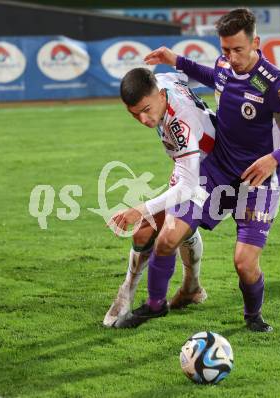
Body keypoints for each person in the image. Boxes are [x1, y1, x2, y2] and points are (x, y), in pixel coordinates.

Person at [113, 8, 280, 332]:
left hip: (259, 180)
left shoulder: (276, 85)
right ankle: (156, 305)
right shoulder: (225, 65)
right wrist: (178, 61)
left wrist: (276, 158)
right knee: (168, 237)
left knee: (244, 263)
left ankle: (253, 317)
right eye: (225, 49)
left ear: (255, 42)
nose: (231, 57)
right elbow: (217, 77)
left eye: (238, 49)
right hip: (216, 170)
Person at [104, 68, 216, 327]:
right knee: (145, 234)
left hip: (209, 170)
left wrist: (139, 209)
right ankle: (184, 288)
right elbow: (186, 75)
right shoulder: (162, 79)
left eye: (146, 109)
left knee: (166, 231)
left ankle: (141, 294)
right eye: (134, 114)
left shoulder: (179, 124)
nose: (143, 119)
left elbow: (187, 187)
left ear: (160, 95)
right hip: (189, 163)